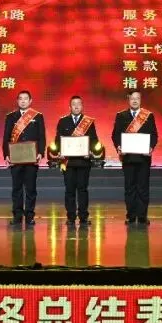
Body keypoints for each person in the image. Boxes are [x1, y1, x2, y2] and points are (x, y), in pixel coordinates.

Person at [112, 90, 158, 225]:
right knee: (130, 187)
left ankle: (142, 216)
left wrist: (151, 147)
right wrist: (119, 147)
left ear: (140, 100)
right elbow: (115, 135)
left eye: (137, 98)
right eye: (132, 98)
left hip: (143, 158)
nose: (135, 100)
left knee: (143, 187)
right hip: (128, 158)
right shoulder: (121, 115)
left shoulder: (148, 116)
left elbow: (154, 135)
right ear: (128, 100)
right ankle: (131, 216)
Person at [3, 90, 47, 228]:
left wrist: (40, 152)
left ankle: (29, 216)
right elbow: (6, 137)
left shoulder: (38, 116)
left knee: (30, 188)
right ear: (17, 101)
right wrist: (6, 154)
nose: (23, 101)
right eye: (20, 99)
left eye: (25, 98)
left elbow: (41, 136)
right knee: (16, 188)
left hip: (31, 157)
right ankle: (17, 216)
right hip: (15, 158)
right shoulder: (11, 117)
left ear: (30, 101)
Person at [55, 95, 99, 227]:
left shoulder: (88, 122)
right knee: (69, 190)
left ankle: (84, 217)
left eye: (79, 104)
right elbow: (58, 140)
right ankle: (71, 217)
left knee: (82, 190)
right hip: (68, 163)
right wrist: (59, 151)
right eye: (74, 104)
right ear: (70, 107)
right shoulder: (63, 121)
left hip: (83, 162)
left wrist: (91, 151)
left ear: (82, 106)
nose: (76, 106)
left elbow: (94, 140)